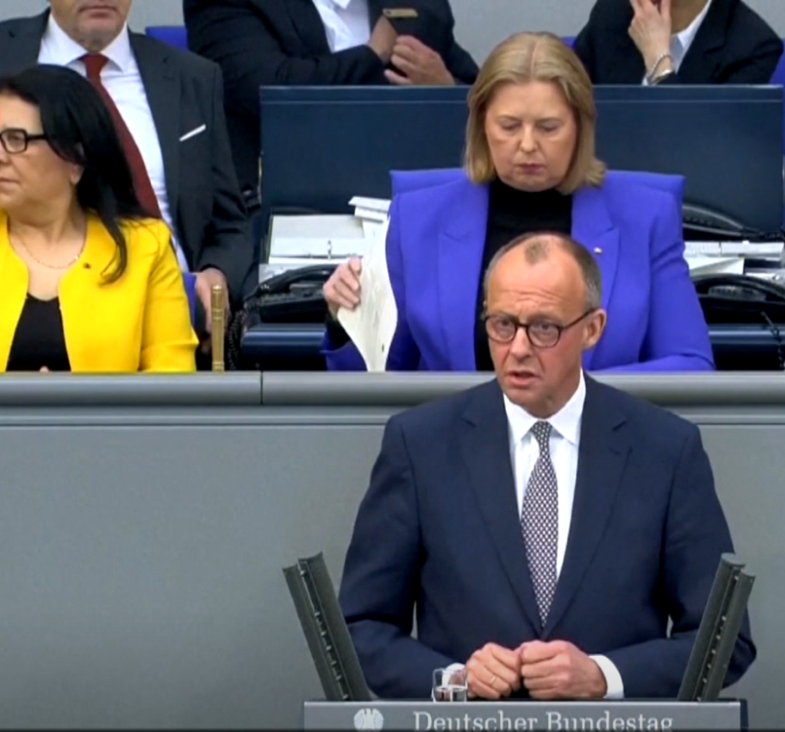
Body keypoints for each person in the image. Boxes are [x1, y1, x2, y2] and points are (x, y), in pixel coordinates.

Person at [339, 230, 754, 699]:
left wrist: (603, 677)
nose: (517, 348)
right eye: (502, 324)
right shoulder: (420, 445)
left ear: (592, 329)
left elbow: (725, 640)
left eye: (543, 329)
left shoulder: (665, 450)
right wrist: (453, 679)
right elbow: (360, 627)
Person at [322, 31, 714, 372]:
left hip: (598, 432)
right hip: (458, 432)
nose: (527, 144)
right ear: (482, 126)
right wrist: (345, 317)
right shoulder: (418, 217)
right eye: (509, 126)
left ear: (581, 127)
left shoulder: (646, 217)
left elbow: (690, 364)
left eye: (548, 127)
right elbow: (377, 377)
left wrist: (571, 395)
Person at [0, 0, 254, 339]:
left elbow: (230, 224)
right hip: (29, 312)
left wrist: (216, 274)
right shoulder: (8, 58)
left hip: (175, 314)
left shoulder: (193, 77)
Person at [0, 66, 197, 373]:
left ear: (74, 159)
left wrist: (70, 400)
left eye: (16, 139)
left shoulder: (145, 247)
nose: (1, 156)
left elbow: (173, 381)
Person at [183, 0, 479, 199]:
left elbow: (486, 100)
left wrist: (446, 88)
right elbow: (268, 90)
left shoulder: (412, 6)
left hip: (411, 199)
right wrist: (373, 53)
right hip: (288, 202)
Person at [573, 0, 782, 85]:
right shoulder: (613, 14)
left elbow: (706, 145)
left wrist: (659, 62)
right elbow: (570, 100)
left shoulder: (753, 47)